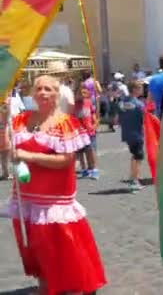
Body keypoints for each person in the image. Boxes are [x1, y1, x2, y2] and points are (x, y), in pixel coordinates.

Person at [8, 75, 106, 294]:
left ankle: (79, 284)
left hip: (55, 200)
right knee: (36, 247)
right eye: (39, 88)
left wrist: (28, 156)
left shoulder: (65, 122)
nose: (42, 93)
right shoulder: (19, 120)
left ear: (57, 94)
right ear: (32, 93)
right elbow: (8, 148)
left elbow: (65, 162)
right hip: (26, 196)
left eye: (48, 89)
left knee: (65, 246)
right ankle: (46, 285)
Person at [117, 81, 146, 191]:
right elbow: (145, 118)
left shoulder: (122, 102)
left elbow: (118, 118)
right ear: (134, 90)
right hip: (137, 134)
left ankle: (134, 176)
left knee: (134, 155)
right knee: (138, 157)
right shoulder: (139, 104)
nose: (142, 91)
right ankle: (134, 181)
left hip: (127, 133)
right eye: (140, 88)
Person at [74, 83, 99, 180]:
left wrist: (95, 123)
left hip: (89, 130)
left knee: (90, 150)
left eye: (85, 92)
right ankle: (84, 168)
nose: (82, 95)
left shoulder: (88, 102)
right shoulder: (74, 105)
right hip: (79, 132)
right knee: (80, 151)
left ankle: (94, 169)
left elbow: (93, 113)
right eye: (80, 93)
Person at [0, 99, 9, 180]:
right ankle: (5, 173)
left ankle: (5, 173)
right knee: (4, 155)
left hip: (4, 132)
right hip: (3, 132)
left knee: (4, 155)